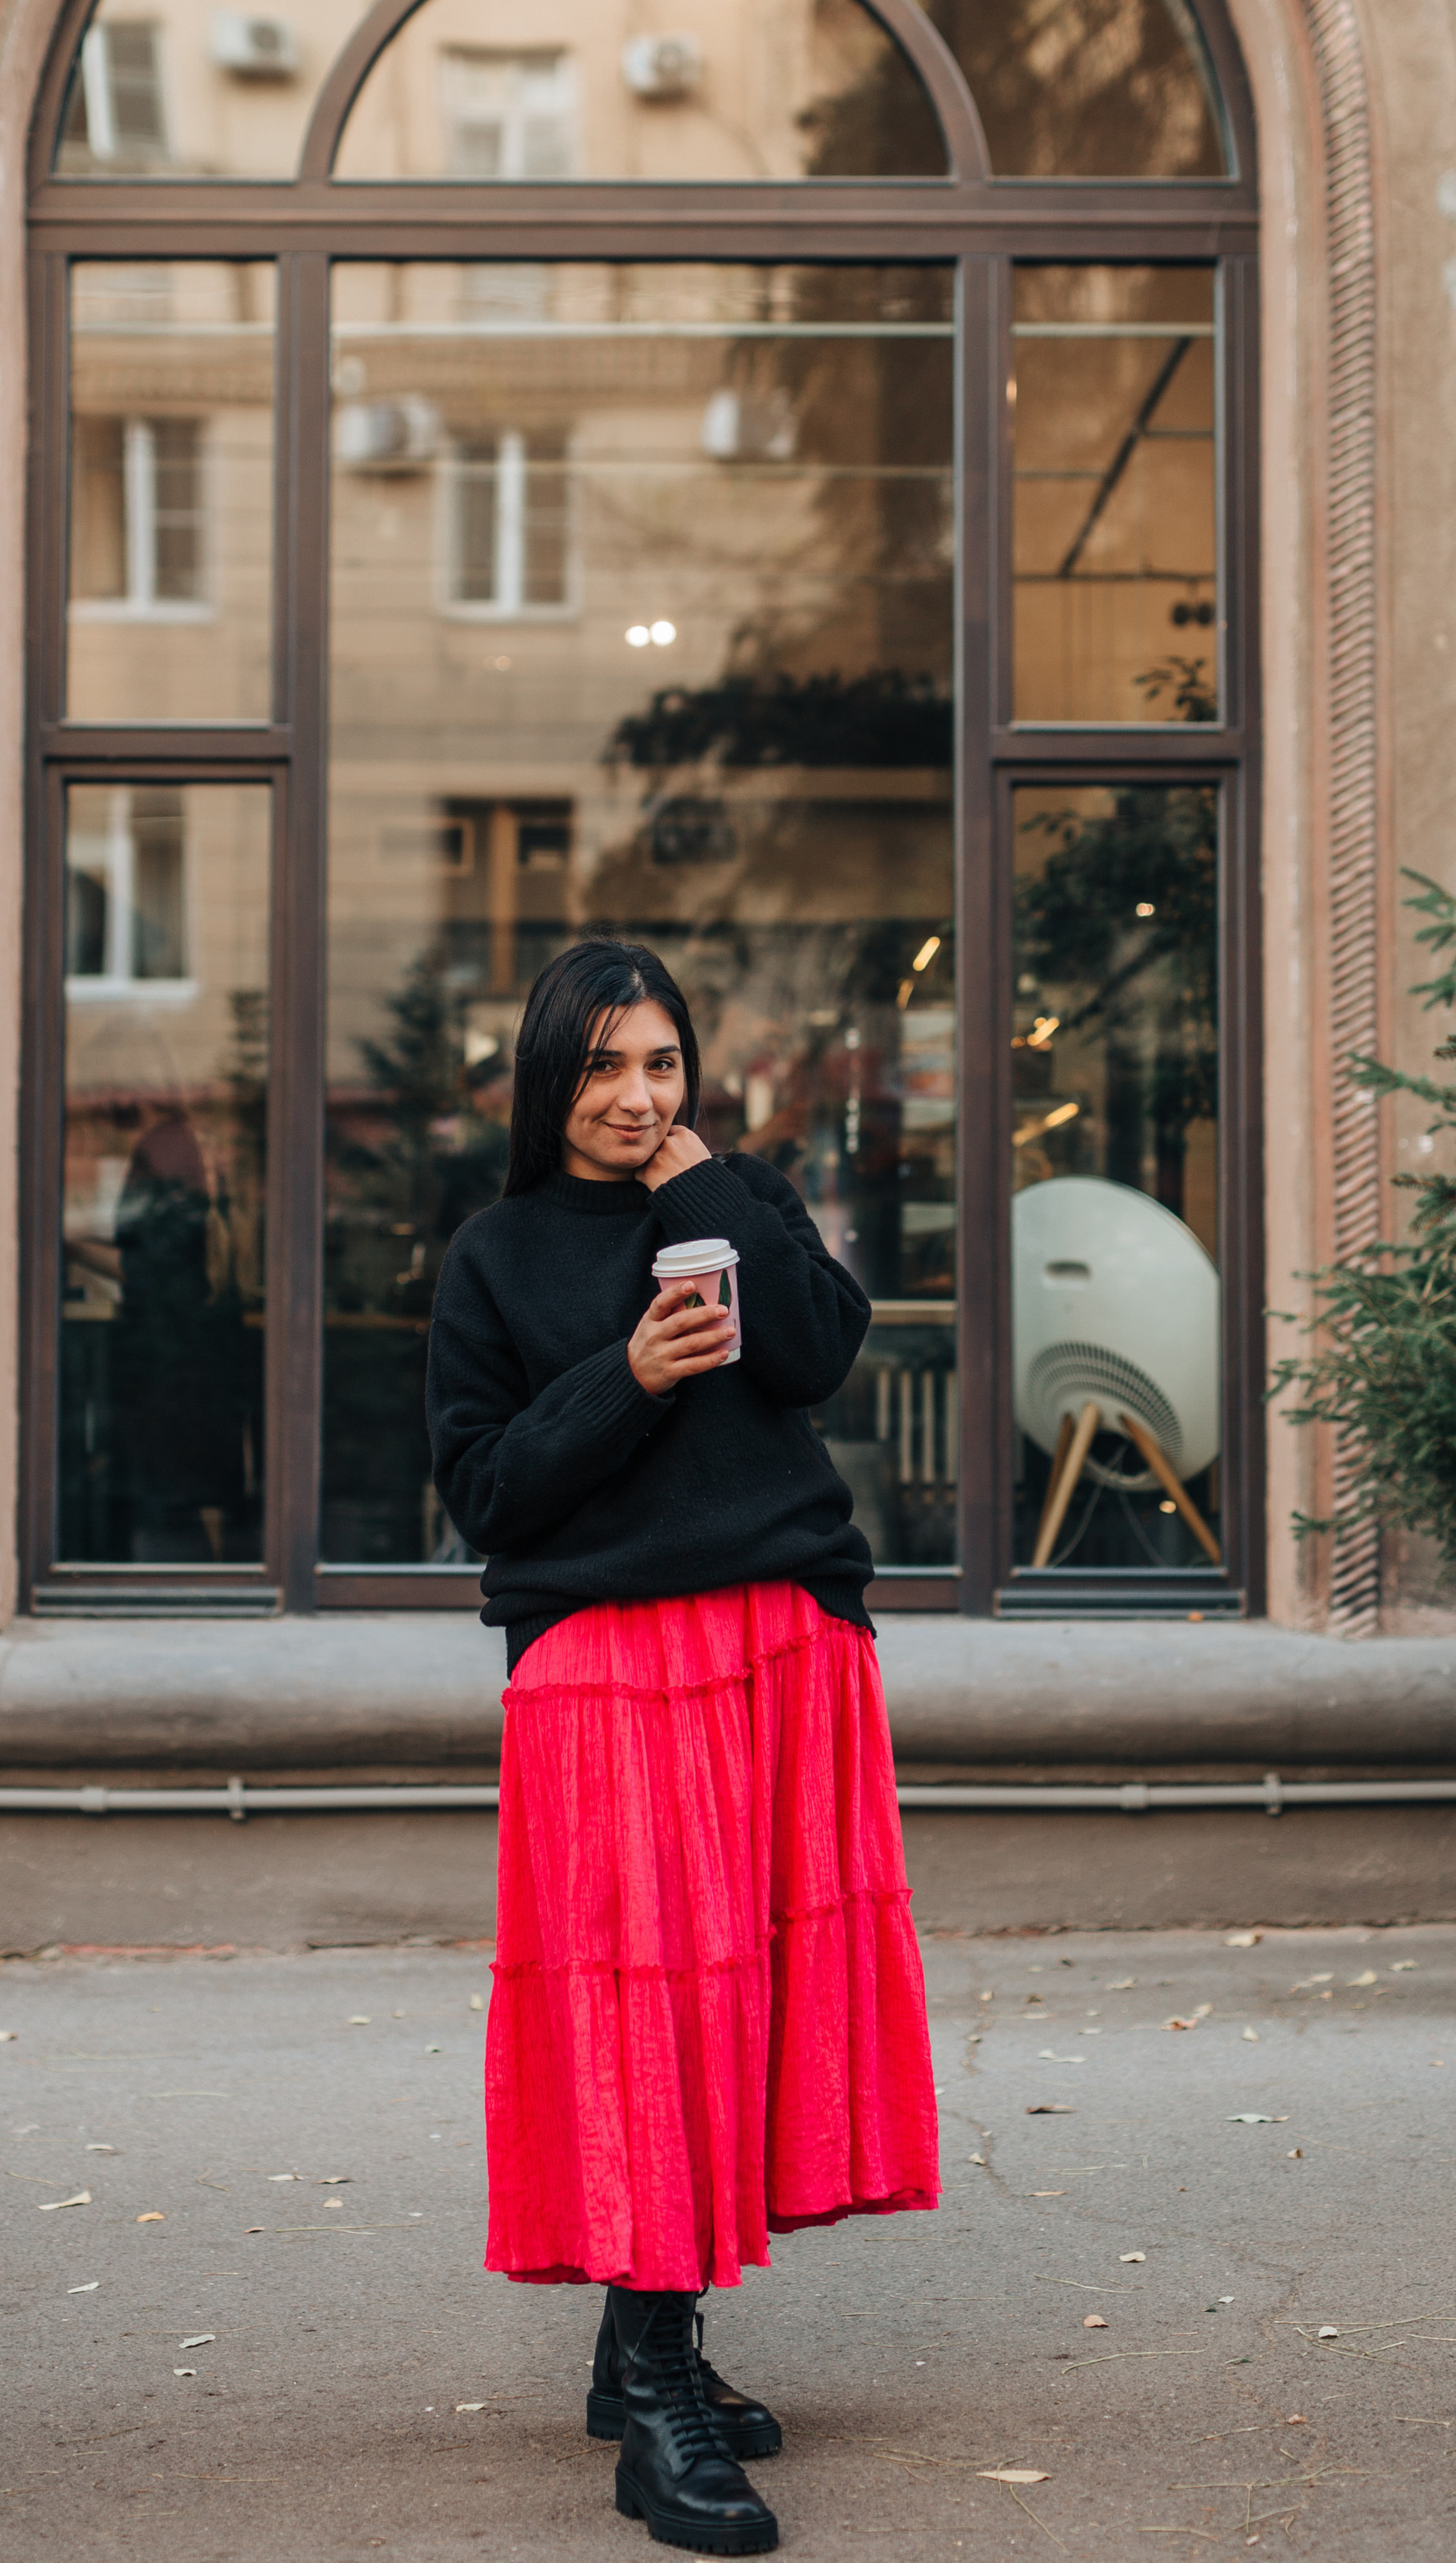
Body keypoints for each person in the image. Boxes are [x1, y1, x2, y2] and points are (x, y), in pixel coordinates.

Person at [426, 939, 939, 2555]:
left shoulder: (737, 1190)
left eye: (661, 1064)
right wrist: (628, 1377)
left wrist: (719, 1195)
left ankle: (635, 2356)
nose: (639, 1097)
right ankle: (656, 2410)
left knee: (746, 2008)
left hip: (781, 1641)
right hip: (606, 1668)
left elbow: (815, 1357)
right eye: (603, 1069)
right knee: (658, 2010)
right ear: (547, 1081)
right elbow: (490, 1495)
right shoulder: (494, 1258)